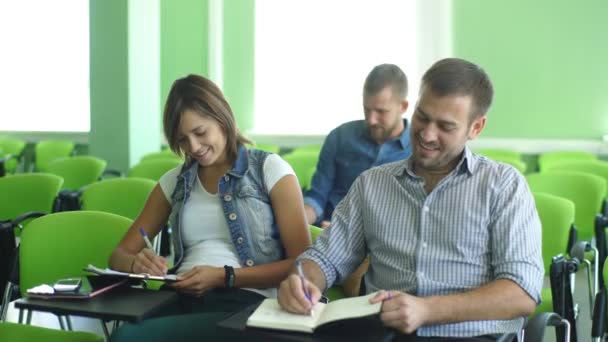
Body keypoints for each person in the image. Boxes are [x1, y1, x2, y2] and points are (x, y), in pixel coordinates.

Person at [278, 58, 544, 340]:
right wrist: (302, 281)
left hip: (471, 335)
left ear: (475, 128)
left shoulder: (503, 186)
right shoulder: (372, 184)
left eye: (445, 126)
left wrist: (427, 310)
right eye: (423, 117)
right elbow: (325, 258)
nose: (427, 135)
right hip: (383, 333)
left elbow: (521, 292)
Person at [109, 74, 310, 341]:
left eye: (200, 132)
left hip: (246, 301)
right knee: (125, 335)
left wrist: (224, 277)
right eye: (182, 140)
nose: (193, 147)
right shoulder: (173, 182)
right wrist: (135, 262)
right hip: (178, 297)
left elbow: (304, 263)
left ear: (222, 117)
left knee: (129, 339)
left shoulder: (269, 170)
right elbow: (118, 255)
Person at [304, 63, 412, 229]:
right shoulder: (339, 137)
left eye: (381, 111)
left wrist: (348, 233)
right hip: (328, 230)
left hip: (383, 238)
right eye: (366, 109)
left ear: (402, 107)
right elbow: (317, 196)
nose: (371, 120)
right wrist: (298, 222)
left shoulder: (418, 149)